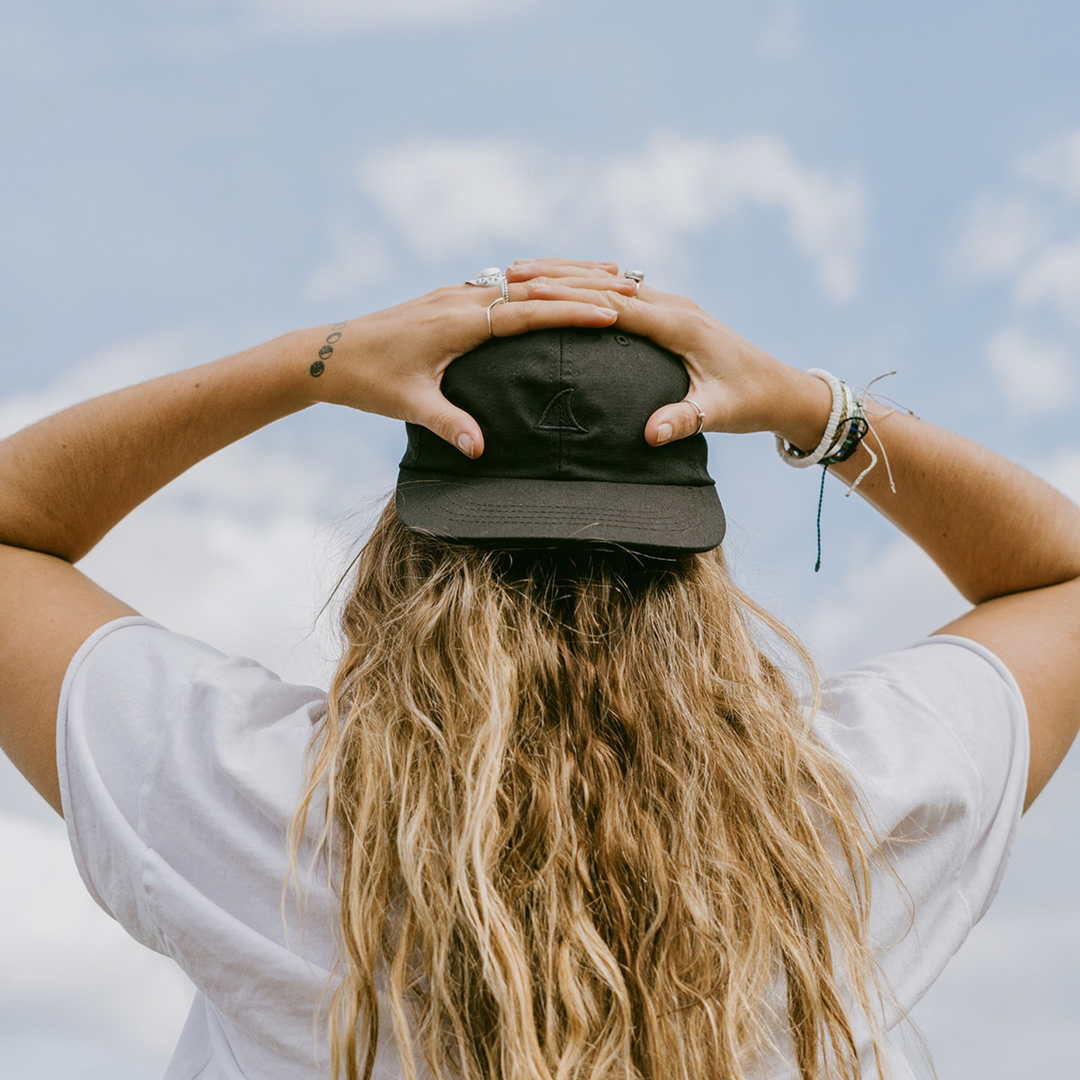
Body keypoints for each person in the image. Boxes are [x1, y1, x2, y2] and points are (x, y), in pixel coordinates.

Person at [0, 257, 1078, 1080]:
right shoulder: (831, 821)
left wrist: (308, 364)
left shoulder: (264, 805)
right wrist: (809, 406)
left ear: (407, 555)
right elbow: (1061, 581)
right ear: (694, 571)